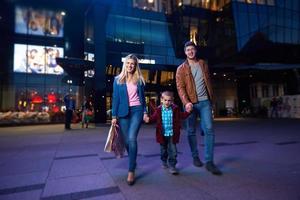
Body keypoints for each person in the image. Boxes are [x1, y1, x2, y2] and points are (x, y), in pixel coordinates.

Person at [176, 41, 222, 175]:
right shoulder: (181, 69)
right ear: (185, 52)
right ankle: (195, 156)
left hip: (205, 102)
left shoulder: (203, 64)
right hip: (190, 104)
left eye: (192, 49)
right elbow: (180, 88)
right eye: (188, 50)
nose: (190, 51)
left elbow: (208, 82)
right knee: (190, 131)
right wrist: (186, 102)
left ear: (195, 51)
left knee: (209, 129)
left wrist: (211, 99)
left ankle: (209, 161)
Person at [111, 54, 148, 185]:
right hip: (122, 113)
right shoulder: (117, 80)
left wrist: (145, 112)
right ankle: (133, 159)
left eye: (132, 64)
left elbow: (143, 99)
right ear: (124, 64)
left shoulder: (140, 80)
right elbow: (115, 99)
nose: (130, 66)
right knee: (127, 140)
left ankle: (131, 170)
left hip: (137, 111)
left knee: (132, 138)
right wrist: (114, 116)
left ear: (135, 65)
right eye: (128, 63)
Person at [144, 91, 191, 175]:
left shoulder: (175, 109)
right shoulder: (158, 110)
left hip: (172, 134)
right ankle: (164, 160)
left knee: (173, 150)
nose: (167, 102)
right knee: (163, 150)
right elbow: (153, 118)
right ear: (161, 100)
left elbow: (182, 116)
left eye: (169, 100)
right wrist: (148, 119)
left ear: (172, 101)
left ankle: (172, 166)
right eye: (165, 100)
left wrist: (188, 112)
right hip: (162, 134)